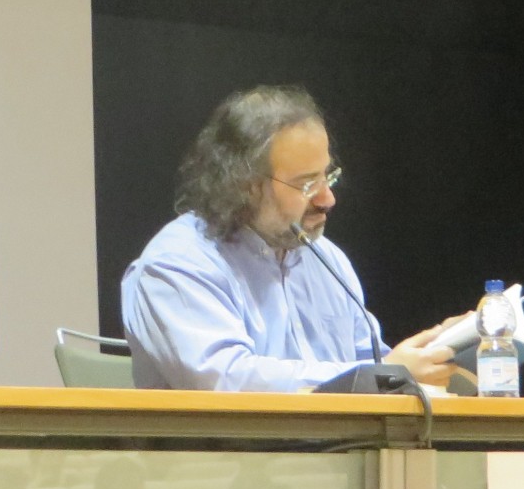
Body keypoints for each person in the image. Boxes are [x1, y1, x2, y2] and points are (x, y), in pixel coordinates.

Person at [122, 85, 457, 391]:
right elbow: (228, 380)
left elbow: (372, 365)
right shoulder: (178, 262)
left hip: (338, 452)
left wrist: (440, 349)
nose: (328, 199)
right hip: (223, 456)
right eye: (307, 184)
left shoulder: (328, 260)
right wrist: (382, 374)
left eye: (328, 177)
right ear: (246, 185)